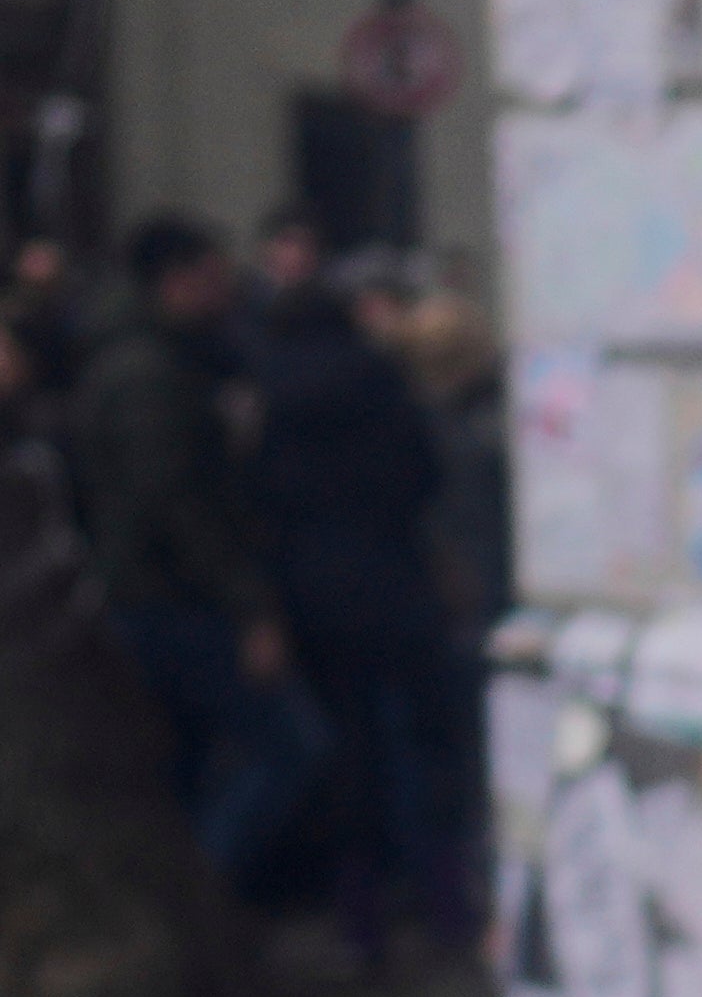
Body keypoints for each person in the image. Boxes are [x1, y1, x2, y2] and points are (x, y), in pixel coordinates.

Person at [66, 217, 339, 909]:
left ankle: (185, 912)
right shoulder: (151, 373)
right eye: (213, 278)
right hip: (176, 599)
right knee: (288, 745)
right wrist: (250, 608)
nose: (227, 292)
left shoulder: (142, 360)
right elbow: (179, 503)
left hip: (152, 593)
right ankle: (198, 902)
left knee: (185, 767)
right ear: (177, 281)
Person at [239, 233, 476, 948]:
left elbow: (260, 504)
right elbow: (423, 479)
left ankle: (361, 919)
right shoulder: (384, 384)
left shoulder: (269, 402)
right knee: (423, 747)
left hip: (314, 594)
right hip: (396, 581)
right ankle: (445, 905)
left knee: (350, 757)